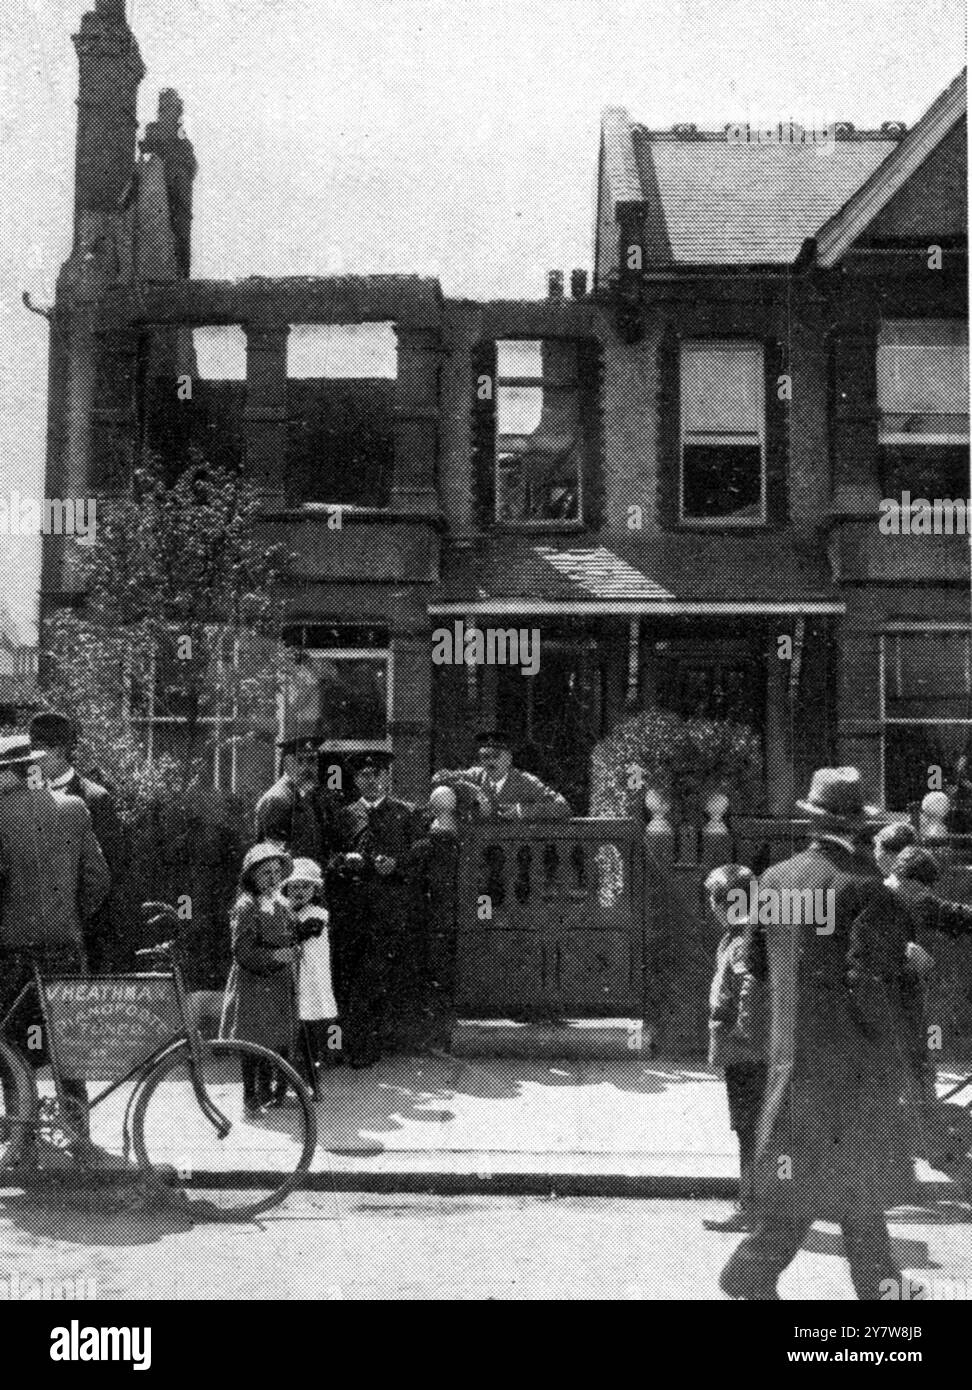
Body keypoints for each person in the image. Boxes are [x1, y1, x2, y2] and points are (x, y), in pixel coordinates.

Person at [720, 767, 915, 1302]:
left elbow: (756, 966)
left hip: (790, 1070)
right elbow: (869, 985)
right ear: (858, 828)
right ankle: (875, 1294)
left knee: (809, 1188)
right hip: (850, 1072)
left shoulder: (775, 882)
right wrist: (894, 1057)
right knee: (853, 1188)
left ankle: (876, 1291)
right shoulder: (870, 890)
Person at [0, 733, 110, 1149]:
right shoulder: (73, 809)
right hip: (64, 947)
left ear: (11, 772)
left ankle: (21, 1138)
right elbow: (99, 880)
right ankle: (78, 1135)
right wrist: (68, 916)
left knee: (12, 1045)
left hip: (10, 950)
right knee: (69, 1039)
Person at [327, 750, 425, 1068]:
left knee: (377, 977)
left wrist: (396, 864)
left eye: (378, 775)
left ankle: (369, 1045)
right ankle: (345, 1045)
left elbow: (423, 850)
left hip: (387, 912)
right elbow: (329, 858)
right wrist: (345, 862)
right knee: (349, 976)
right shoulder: (344, 816)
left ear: (386, 778)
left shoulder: (405, 813)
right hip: (352, 912)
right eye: (365, 776)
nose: (372, 781)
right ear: (356, 781)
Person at [28, 710, 124, 971]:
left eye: (36, 753)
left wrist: (72, 914)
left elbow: (108, 872)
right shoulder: (23, 798)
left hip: (80, 933)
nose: (29, 761)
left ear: (59, 751)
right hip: (30, 935)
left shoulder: (95, 799)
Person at [702, 863, 767, 1234]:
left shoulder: (742, 939)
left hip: (747, 1054)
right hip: (751, 1052)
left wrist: (742, 1035)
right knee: (753, 1128)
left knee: (748, 1129)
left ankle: (750, 1207)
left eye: (714, 899)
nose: (711, 907)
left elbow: (750, 989)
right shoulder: (742, 933)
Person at [218, 842, 298, 1117]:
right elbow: (242, 951)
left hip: (276, 985)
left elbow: (289, 937)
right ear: (251, 875)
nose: (273, 878)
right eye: (266, 872)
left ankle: (267, 1092)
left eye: (277, 872)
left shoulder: (282, 904)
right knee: (253, 1043)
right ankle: (249, 1097)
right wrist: (277, 957)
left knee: (273, 1040)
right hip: (253, 985)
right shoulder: (246, 907)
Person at [280, 857, 339, 1092]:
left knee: (308, 1037)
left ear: (315, 890)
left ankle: (313, 1084)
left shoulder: (318, 915)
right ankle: (284, 1084)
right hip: (292, 977)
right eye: (294, 887)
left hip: (310, 980)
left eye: (306, 886)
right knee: (289, 1035)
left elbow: (299, 933)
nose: (299, 891)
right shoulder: (284, 911)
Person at [432, 729, 571, 821]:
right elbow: (438, 778)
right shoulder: (475, 775)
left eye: (496, 756)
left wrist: (520, 811)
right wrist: (472, 790)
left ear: (509, 758)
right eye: (485, 757)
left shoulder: (525, 782)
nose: (490, 761)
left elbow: (562, 807)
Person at [255, 735, 341, 864]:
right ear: (286, 764)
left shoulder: (312, 796)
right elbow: (275, 856)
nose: (306, 768)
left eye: (312, 760)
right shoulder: (277, 799)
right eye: (299, 761)